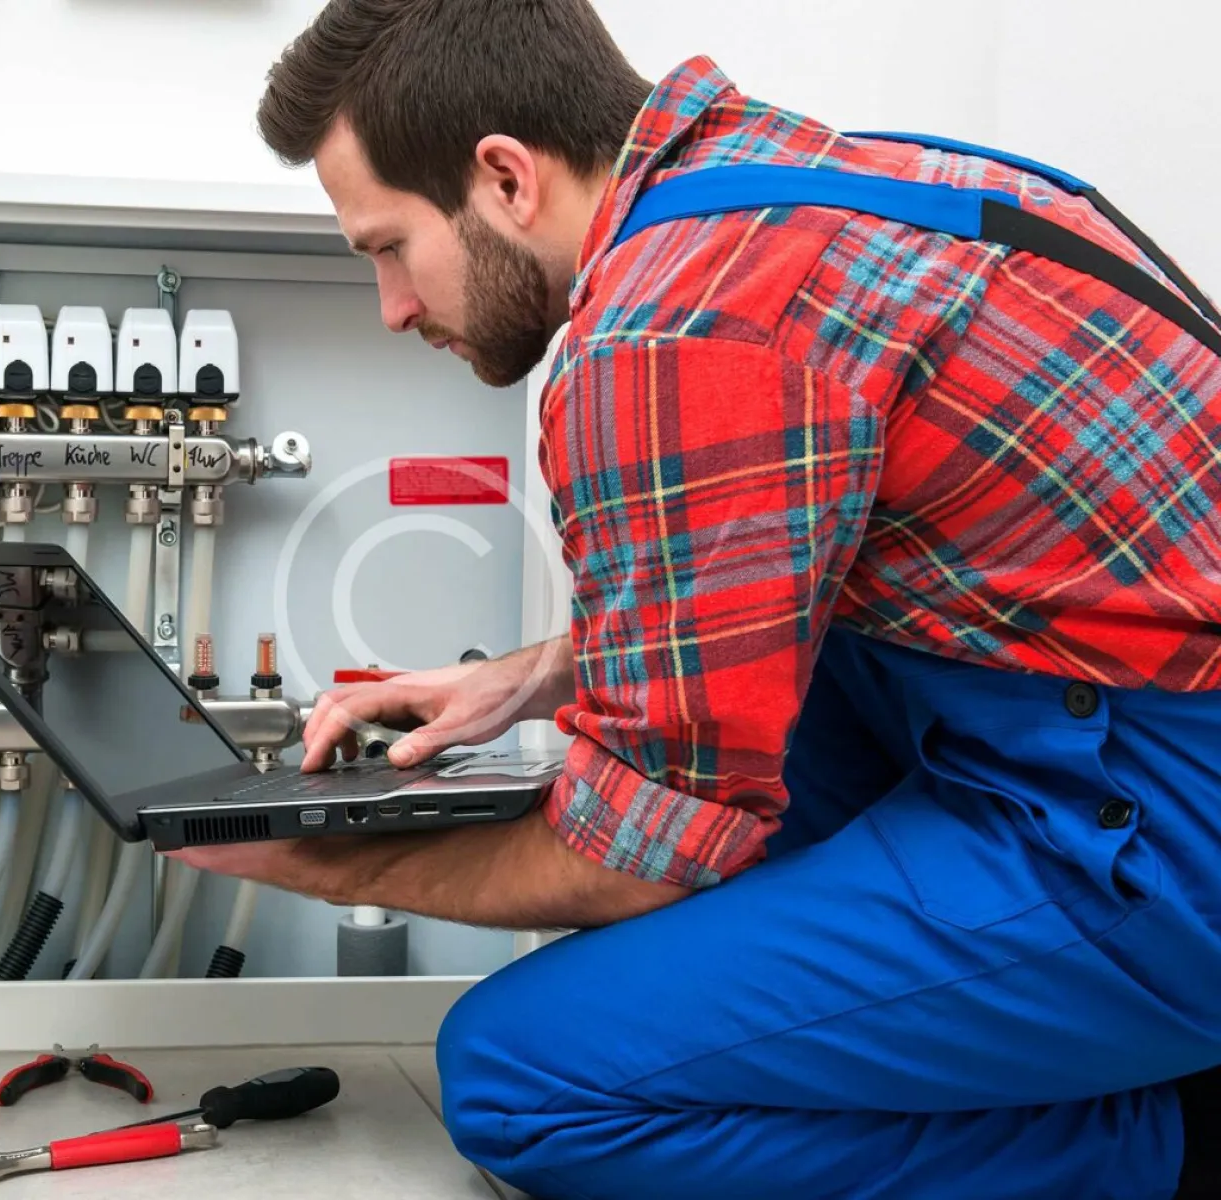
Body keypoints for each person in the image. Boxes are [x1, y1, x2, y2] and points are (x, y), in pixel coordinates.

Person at [164, 2, 1221, 1195]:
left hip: (1161, 836)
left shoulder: (663, 335)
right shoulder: (829, 180)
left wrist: (324, 861)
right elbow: (795, 552)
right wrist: (528, 676)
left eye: (386, 249)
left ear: (505, 178)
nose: (394, 308)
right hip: (1088, 722)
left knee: (524, 1076)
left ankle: (1162, 1141)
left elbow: (641, 857)